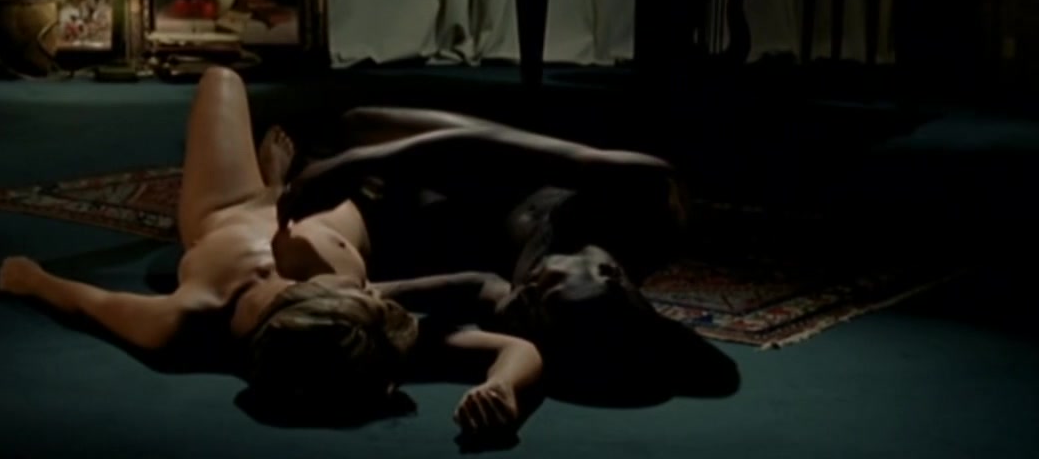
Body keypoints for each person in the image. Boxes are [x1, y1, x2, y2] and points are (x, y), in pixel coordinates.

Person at [0, 67, 543, 438]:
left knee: (222, 78)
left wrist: (30, 279)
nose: (369, 294)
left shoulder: (187, 319)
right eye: (360, 292)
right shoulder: (367, 334)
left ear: (297, 304)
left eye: (345, 288)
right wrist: (503, 388)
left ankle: (273, 176)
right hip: (356, 192)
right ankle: (287, 173)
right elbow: (517, 349)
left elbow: (85, 302)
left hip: (230, 205)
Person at [276, 106, 741, 404]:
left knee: (334, 233)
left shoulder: (553, 310)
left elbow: (477, 287)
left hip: (449, 216)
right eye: (538, 289)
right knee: (360, 128)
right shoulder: (648, 197)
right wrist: (356, 163)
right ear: (607, 272)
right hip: (490, 157)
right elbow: (485, 146)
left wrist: (365, 295)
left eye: (526, 306)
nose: (520, 297)